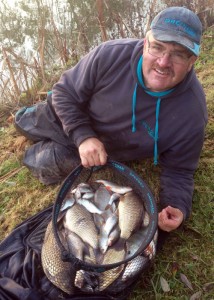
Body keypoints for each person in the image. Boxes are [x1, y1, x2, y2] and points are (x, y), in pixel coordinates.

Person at [18, 7, 207, 233]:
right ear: (146, 43)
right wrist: (83, 135)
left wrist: (176, 205)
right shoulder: (110, 54)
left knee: (38, 161)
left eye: (178, 54)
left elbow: (180, 170)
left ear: (192, 60)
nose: (163, 62)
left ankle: (36, 152)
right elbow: (64, 93)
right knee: (23, 122)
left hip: (100, 154)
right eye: (157, 47)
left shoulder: (191, 112)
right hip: (64, 114)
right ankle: (26, 119)